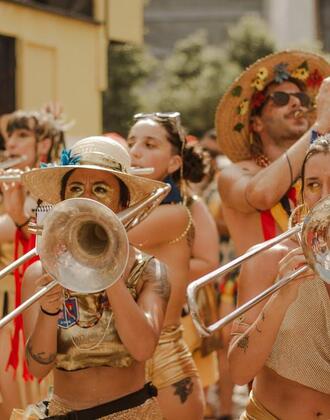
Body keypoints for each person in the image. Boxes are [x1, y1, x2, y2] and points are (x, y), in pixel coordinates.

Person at [10, 136, 170, 419]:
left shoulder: (150, 271)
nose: (86, 197)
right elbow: (37, 368)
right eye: (75, 188)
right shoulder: (40, 272)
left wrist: (109, 271)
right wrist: (48, 310)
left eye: (100, 189)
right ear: (63, 199)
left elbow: (143, 348)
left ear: (123, 201)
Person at [228, 134, 330, 419]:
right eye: (313, 185)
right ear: (301, 195)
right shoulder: (268, 258)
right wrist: (281, 297)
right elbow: (238, 371)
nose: (323, 196)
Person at [127, 112, 207, 420]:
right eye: (132, 142)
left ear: (173, 163)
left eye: (149, 144)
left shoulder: (174, 214)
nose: (134, 151)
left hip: (164, 366)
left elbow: (105, 237)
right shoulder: (130, 209)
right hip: (119, 365)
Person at [216, 51, 330, 256]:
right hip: (266, 286)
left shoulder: (318, 172)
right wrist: (319, 126)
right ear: (256, 123)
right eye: (281, 98)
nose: (296, 104)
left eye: (301, 97)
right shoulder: (233, 174)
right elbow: (262, 195)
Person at [0, 109, 66, 419]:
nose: (11, 143)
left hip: (38, 312)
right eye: (9, 136)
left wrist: (17, 217)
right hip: (5, 316)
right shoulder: (7, 184)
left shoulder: (53, 188)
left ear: (44, 144)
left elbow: (52, 243)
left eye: (22, 135)